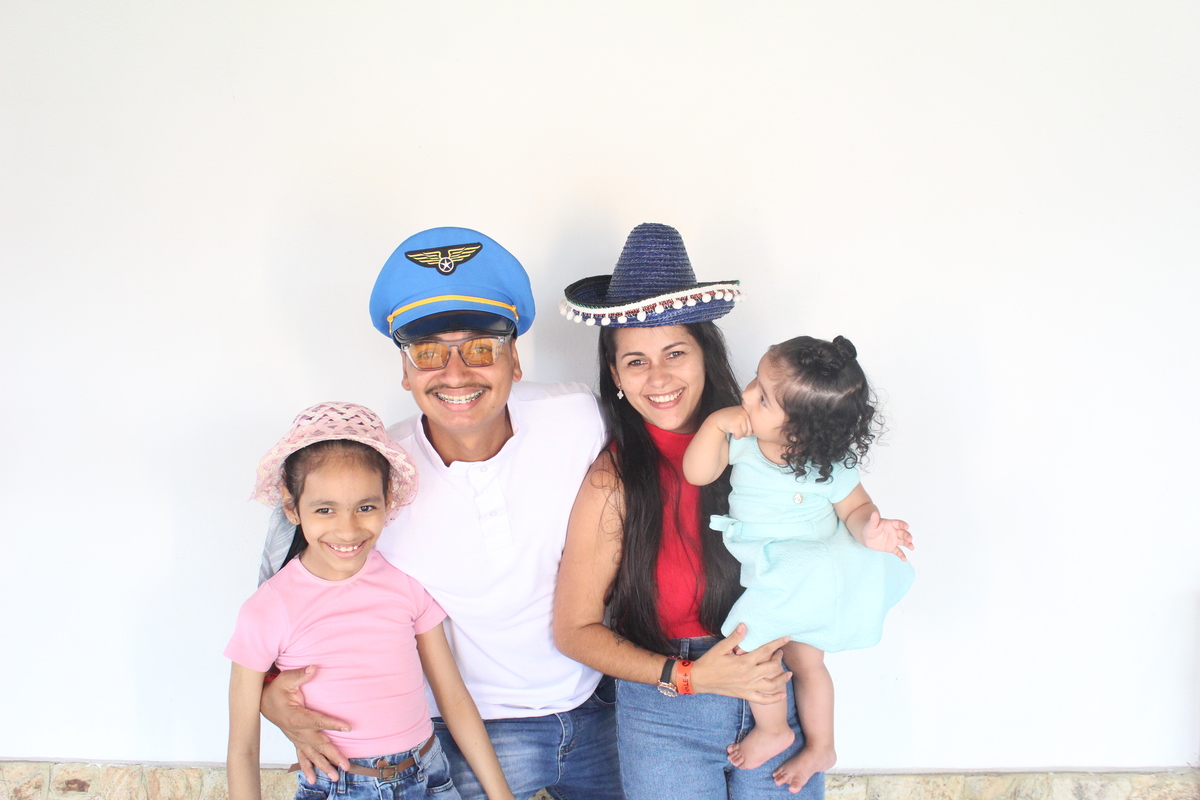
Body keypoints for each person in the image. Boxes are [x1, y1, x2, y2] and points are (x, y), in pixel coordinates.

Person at [255, 228, 623, 800]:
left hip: (602, 706)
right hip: (464, 733)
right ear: (405, 371)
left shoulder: (580, 418)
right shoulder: (372, 475)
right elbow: (284, 595)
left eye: (481, 347)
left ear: (514, 358)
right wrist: (270, 692)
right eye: (428, 352)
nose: (455, 373)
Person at [553, 223, 812, 799]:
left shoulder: (766, 448)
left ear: (705, 354)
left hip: (773, 686)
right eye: (635, 361)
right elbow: (574, 631)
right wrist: (690, 675)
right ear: (616, 377)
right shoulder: (613, 479)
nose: (659, 378)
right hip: (664, 711)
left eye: (675, 353)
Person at [226, 402, 515, 800]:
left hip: (431, 776)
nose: (348, 531)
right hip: (343, 787)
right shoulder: (268, 608)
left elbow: (453, 697)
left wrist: (501, 795)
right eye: (325, 509)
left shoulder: (406, 582)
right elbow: (243, 747)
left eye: (365, 507)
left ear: (387, 500)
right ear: (292, 507)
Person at [682, 336, 916, 793]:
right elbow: (698, 472)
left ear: (799, 432)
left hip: (805, 570)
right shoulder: (745, 441)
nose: (747, 394)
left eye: (763, 398)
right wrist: (713, 426)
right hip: (784, 571)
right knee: (807, 662)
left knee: (749, 644)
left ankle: (775, 730)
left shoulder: (828, 466)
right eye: (756, 382)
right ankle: (822, 746)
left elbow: (856, 508)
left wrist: (871, 530)